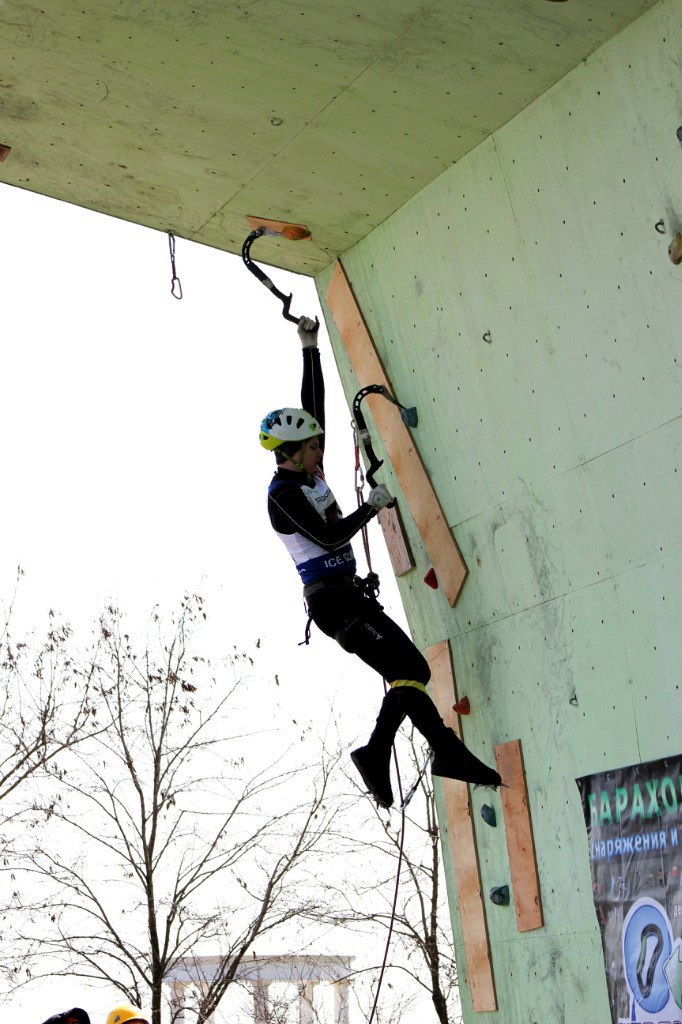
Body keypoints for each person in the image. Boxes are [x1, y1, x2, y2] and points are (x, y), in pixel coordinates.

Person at [260, 316, 501, 807]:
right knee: (410, 669)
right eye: (312, 448)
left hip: (351, 599)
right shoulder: (282, 495)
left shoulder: (307, 471)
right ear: (289, 454)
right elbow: (327, 538)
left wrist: (309, 346)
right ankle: (411, 753)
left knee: (412, 672)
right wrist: (371, 506)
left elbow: (314, 411)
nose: (319, 451)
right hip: (333, 607)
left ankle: (404, 753)